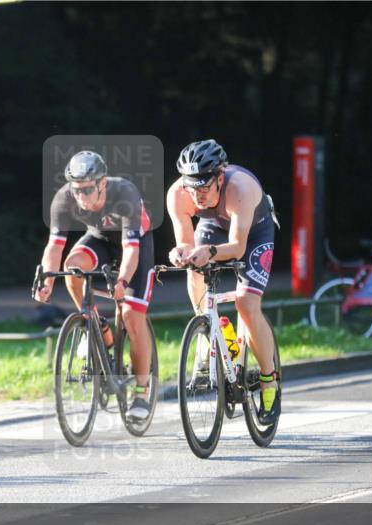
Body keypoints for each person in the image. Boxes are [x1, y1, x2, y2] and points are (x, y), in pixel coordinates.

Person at [32, 151, 156, 422]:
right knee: (73, 266)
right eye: (77, 191)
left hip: (134, 246)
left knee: (132, 316)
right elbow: (54, 246)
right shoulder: (64, 198)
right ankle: (94, 322)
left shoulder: (124, 193)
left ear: (102, 183)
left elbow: (131, 249)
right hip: (99, 239)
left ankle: (141, 393)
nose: (82, 197)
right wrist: (47, 280)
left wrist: (122, 281)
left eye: (88, 190)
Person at [166, 139, 281, 424]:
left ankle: (269, 381)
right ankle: (210, 328)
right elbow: (185, 241)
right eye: (191, 187)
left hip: (253, 232)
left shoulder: (241, 188)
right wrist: (181, 253)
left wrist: (211, 252)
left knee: (246, 303)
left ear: (220, 176)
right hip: (214, 227)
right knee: (194, 267)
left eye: (204, 187)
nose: (197, 195)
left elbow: (238, 248)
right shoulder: (178, 194)